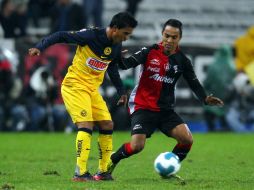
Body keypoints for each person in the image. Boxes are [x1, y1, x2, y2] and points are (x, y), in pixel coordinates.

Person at [106, 19, 224, 180]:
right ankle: (111, 161)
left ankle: (168, 170)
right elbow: (126, 65)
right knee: (136, 146)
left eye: (173, 37)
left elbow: (193, 82)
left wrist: (205, 98)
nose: (169, 40)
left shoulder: (182, 60)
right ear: (162, 34)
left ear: (179, 38)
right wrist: (118, 57)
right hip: (143, 106)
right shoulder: (148, 51)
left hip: (165, 110)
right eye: (166, 36)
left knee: (187, 139)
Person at [28, 12, 138, 181]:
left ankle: (103, 172)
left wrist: (121, 92)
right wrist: (40, 47)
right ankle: (80, 173)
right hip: (75, 86)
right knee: (86, 124)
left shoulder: (116, 45)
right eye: (125, 33)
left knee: (107, 124)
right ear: (115, 29)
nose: (127, 38)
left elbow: (112, 68)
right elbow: (61, 35)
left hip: (92, 90)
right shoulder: (91, 35)